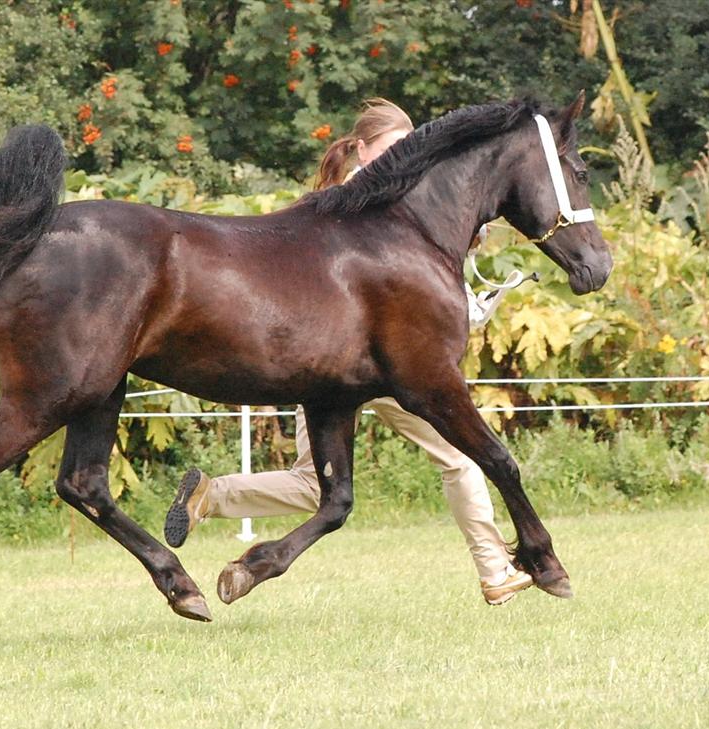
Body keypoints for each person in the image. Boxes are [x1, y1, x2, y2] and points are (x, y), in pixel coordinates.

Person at [164, 98, 533, 606]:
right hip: (384, 364)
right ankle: (496, 572)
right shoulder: (361, 206)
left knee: (313, 483)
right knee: (462, 457)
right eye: (389, 149)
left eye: (406, 149)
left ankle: (212, 495)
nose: (399, 159)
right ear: (361, 150)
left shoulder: (365, 204)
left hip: (324, 365)